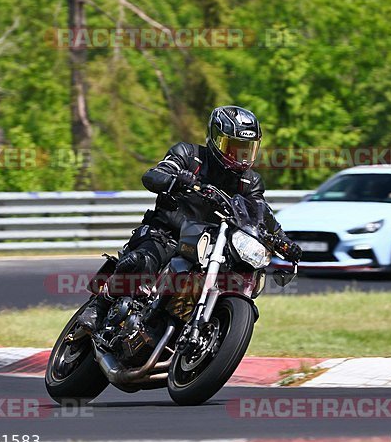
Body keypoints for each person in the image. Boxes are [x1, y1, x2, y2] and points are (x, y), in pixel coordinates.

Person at [79, 105, 302, 331]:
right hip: (168, 233)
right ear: (216, 139)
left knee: (239, 275)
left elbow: (261, 212)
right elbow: (154, 174)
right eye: (233, 147)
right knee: (140, 262)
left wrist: (283, 241)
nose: (239, 156)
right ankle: (100, 305)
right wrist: (174, 179)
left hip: (210, 246)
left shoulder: (250, 182)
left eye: (246, 149)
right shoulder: (189, 155)